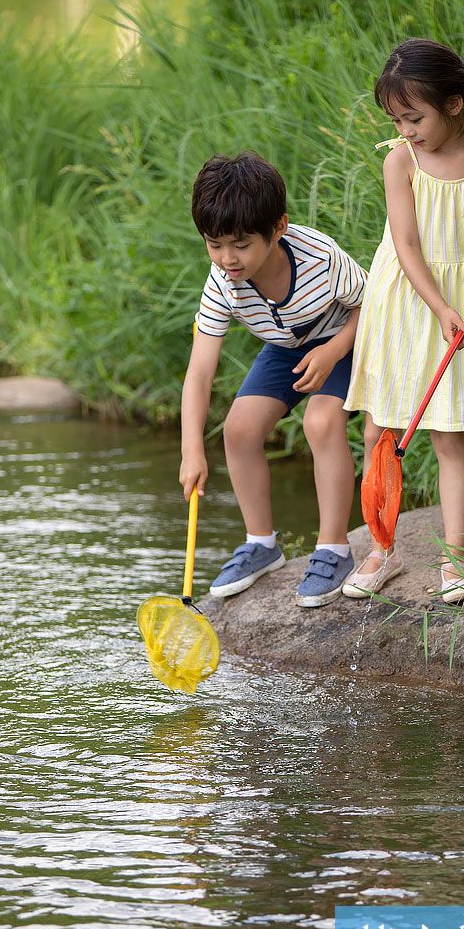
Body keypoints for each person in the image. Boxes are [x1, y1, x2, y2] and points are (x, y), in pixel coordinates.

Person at [342, 39, 464, 604]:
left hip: (458, 306)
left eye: (414, 117)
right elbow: (405, 246)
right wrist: (440, 308)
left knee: (447, 432)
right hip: (406, 300)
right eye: (396, 119)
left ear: (453, 105)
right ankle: (382, 551)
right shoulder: (400, 160)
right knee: (380, 429)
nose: (405, 129)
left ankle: (457, 560)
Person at [180, 152, 366, 607]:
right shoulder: (223, 281)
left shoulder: (320, 258)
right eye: (214, 244)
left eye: (240, 244)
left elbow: (376, 304)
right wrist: (191, 451)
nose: (227, 258)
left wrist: (334, 350)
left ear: (278, 227)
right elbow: (200, 370)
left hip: (345, 336)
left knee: (320, 424)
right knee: (240, 429)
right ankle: (262, 544)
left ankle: (333, 548)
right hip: (286, 347)